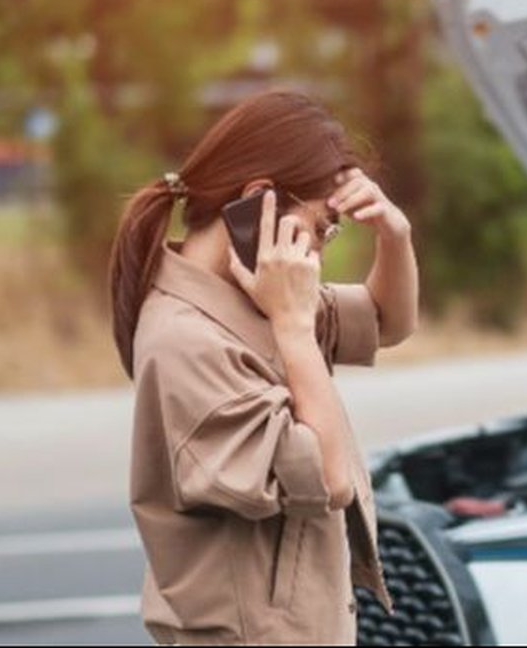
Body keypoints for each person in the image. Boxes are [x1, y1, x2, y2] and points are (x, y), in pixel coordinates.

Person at [107, 89, 419, 644]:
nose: (320, 251)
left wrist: (395, 235)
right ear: (259, 203)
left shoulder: (246, 297)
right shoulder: (187, 337)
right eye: (323, 226)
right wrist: (295, 326)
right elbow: (328, 480)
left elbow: (386, 320)